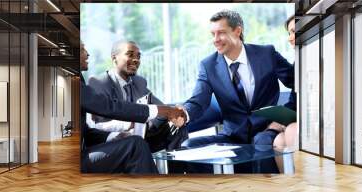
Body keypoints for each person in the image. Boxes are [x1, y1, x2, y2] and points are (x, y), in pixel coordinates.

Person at [172, 10, 294, 173]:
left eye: (221, 33)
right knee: (189, 146)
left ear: (237, 31)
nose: (215, 40)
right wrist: (184, 114)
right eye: (212, 34)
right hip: (232, 137)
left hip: (265, 131)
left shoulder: (266, 54)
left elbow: (297, 83)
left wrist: (284, 118)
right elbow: (199, 100)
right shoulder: (208, 66)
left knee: (262, 142)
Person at [79, 42, 185, 174]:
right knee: (135, 145)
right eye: (82, 48)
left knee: (175, 127)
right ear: (114, 58)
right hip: (78, 158)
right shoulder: (91, 82)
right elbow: (109, 108)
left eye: (138, 56)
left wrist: (174, 114)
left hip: (127, 135)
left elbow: (87, 132)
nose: (87, 53)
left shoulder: (139, 82)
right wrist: (159, 111)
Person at [273, 15, 298, 148]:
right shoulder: (298, 61)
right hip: (302, 118)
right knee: (279, 141)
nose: (289, 38)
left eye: (293, 32)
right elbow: (294, 101)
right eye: (289, 33)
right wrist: (279, 118)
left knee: (291, 130)